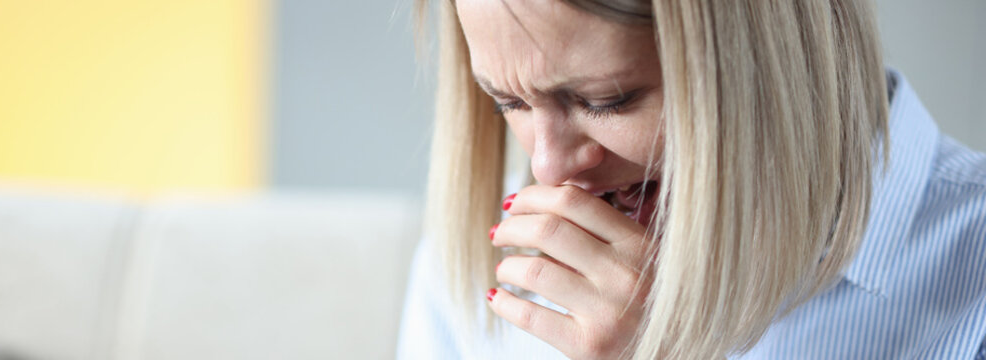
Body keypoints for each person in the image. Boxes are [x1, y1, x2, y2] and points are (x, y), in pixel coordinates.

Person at [397, 0, 986, 358]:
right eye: (509, 103)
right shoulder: (475, 272)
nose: (547, 167)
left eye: (608, 99)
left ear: (765, 54)